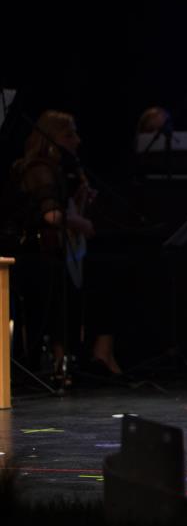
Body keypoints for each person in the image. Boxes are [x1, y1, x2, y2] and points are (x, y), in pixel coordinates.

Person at [12, 111, 105, 385]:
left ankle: (74, 358)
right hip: (32, 253)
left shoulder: (59, 169)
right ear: (52, 138)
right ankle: (60, 359)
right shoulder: (38, 168)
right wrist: (82, 223)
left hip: (51, 253)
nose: (77, 140)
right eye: (69, 134)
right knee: (62, 280)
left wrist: (80, 201)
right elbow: (52, 216)